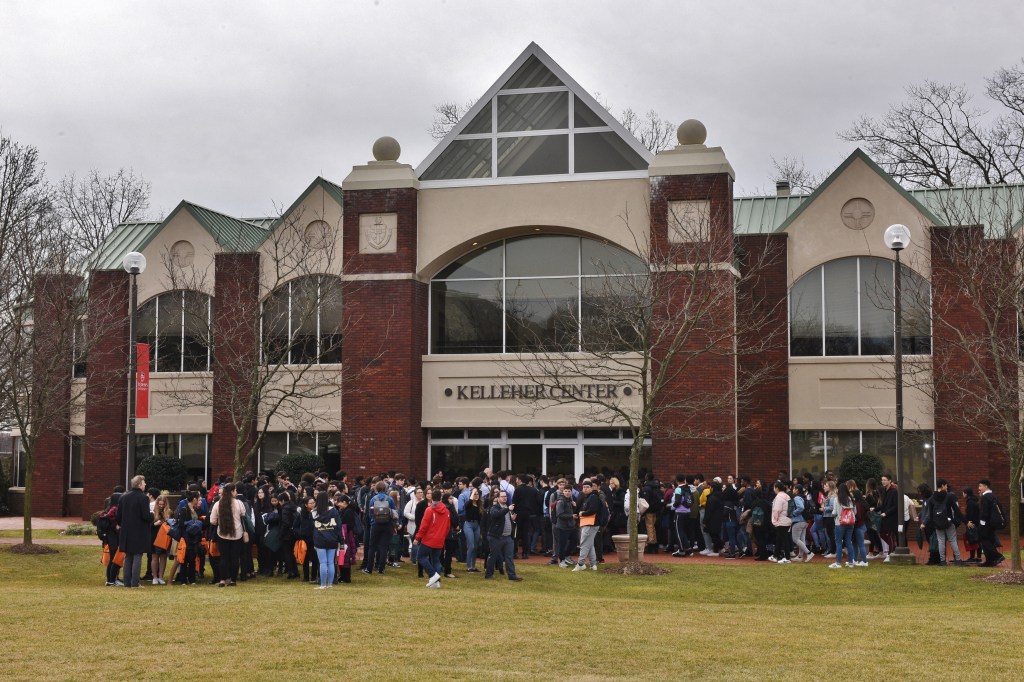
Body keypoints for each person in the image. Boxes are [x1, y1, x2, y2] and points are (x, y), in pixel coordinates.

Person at [116, 474, 154, 588]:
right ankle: (135, 583)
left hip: (126, 531)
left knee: (128, 556)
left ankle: (127, 583)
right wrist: (152, 515)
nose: (145, 484)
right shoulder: (143, 498)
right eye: (144, 482)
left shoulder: (123, 497)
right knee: (137, 555)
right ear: (139, 484)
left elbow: (118, 517)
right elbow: (146, 516)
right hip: (139, 531)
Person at [209, 482, 247, 587]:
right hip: (237, 533)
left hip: (222, 533)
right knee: (235, 558)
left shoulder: (218, 503)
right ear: (232, 491)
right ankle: (233, 580)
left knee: (224, 558)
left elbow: (212, 521)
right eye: (235, 490)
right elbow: (243, 514)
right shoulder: (239, 503)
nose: (236, 492)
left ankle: (222, 579)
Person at [414, 488, 451, 588]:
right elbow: (447, 527)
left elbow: (423, 526)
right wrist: (442, 535)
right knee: (436, 560)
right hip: (440, 539)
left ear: (431, 498)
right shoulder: (446, 511)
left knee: (420, 557)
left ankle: (433, 575)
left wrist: (417, 537)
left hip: (429, 539)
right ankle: (436, 582)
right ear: (441, 498)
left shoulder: (429, 510)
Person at [485, 489, 522, 581]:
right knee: (493, 555)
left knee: (509, 557)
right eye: (502, 496)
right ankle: (489, 574)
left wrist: (513, 519)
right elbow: (495, 515)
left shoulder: (508, 508)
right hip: (496, 537)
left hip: (508, 537)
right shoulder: (495, 507)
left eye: (506, 496)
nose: (505, 498)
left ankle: (512, 576)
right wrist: (507, 509)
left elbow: (508, 520)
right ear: (497, 498)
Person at [925, 479, 963, 566]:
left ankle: (942, 561)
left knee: (941, 541)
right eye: (946, 485)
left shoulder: (931, 498)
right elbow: (956, 510)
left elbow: (930, 514)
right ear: (943, 486)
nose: (947, 487)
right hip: (949, 522)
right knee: (952, 540)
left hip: (938, 524)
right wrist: (964, 521)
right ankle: (957, 560)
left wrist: (932, 524)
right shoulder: (949, 496)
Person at [364, 481, 397, 575]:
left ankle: (369, 568)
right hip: (387, 525)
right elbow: (394, 513)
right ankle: (381, 569)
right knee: (384, 547)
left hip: (375, 525)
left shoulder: (373, 499)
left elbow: (370, 513)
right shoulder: (390, 499)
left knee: (372, 547)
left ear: (376, 489)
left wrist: (373, 521)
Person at [312, 491, 342, 589]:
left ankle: (323, 585)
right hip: (332, 539)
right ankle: (330, 584)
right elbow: (338, 526)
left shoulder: (314, 512)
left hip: (320, 539)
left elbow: (311, 528)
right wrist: (340, 540)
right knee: (331, 562)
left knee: (323, 562)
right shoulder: (334, 511)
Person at [975, 479, 1006, 567]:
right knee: (990, 540)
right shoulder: (993, 496)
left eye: (980, 486)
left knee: (984, 540)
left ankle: (997, 556)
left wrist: (982, 523)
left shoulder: (985, 497)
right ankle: (989, 561)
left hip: (986, 523)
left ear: (986, 486)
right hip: (992, 523)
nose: (979, 488)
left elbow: (984, 512)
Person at [573, 480, 601, 571]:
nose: (585, 489)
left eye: (587, 487)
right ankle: (593, 564)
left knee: (584, 543)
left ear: (591, 488)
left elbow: (593, 510)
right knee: (590, 544)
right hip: (590, 524)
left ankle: (581, 563)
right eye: (584, 487)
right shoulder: (589, 497)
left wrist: (582, 514)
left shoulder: (593, 497)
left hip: (590, 524)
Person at [831, 481, 857, 569]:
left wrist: (833, 514)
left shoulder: (837, 499)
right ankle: (850, 562)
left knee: (838, 543)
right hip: (850, 523)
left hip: (839, 523)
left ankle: (838, 562)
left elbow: (834, 512)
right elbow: (855, 512)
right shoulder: (851, 499)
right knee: (848, 542)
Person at [150, 494, 171, 584]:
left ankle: (161, 577)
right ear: (157, 504)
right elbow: (148, 526)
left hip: (165, 537)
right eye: (160, 504)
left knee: (163, 557)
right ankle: (154, 577)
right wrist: (155, 524)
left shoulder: (169, 512)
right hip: (155, 537)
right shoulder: (152, 513)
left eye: (163, 504)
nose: (161, 506)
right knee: (154, 557)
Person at [788, 484, 812, 562]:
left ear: (797, 490)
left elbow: (801, 507)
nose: (793, 490)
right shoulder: (803, 497)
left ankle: (808, 553)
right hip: (804, 521)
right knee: (802, 539)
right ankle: (800, 556)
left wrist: (793, 513)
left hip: (798, 520)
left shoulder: (797, 497)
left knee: (795, 539)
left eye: (794, 488)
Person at [770, 482, 792, 564]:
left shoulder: (779, 497)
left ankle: (787, 558)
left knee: (784, 539)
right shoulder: (787, 496)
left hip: (781, 521)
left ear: (777, 488)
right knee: (779, 539)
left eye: (774, 487)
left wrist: (775, 519)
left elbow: (776, 510)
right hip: (787, 519)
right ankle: (775, 555)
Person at [878, 475, 900, 562]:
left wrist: (886, 513)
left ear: (889, 481)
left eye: (884, 480)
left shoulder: (894, 491)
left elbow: (895, 505)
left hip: (891, 517)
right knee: (882, 533)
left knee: (890, 535)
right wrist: (874, 509)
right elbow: (883, 505)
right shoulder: (884, 490)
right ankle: (893, 547)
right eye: (882, 480)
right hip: (885, 517)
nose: (883, 481)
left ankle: (890, 554)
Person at [463, 486, 483, 572]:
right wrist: (473, 492)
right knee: (471, 546)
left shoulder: (479, 505)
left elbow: (481, 518)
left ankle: (473, 566)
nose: (476, 495)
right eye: (475, 494)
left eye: (477, 494)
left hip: (477, 525)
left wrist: (481, 530)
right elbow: (467, 504)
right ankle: (468, 566)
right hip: (468, 524)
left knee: (476, 546)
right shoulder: (468, 504)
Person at [962, 488, 982, 563]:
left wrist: (967, 522)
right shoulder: (974, 501)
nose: (963, 494)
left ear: (966, 494)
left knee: (972, 540)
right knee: (977, 540)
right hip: (976, 523)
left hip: (972, 524)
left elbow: (969, 514)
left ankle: (973, 557)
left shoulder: (970, 502)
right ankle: (978, 557)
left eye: (963, 493)